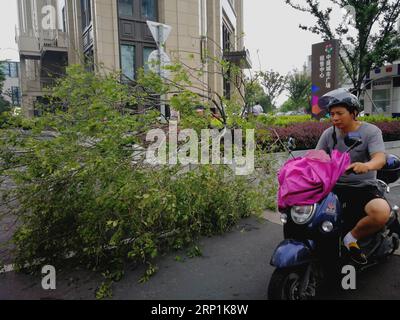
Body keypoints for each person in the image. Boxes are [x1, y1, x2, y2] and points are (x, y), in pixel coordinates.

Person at [316, 88, 390, 265]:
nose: (334, 118)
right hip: (333, 186)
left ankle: (351, 238)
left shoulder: (371, 132)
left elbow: (379, 158)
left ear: (354, 113)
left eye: (339, 113)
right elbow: (317, 155)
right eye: (332, 114)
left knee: (380, 212)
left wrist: (366, 166)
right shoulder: (329, 133)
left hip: (363, 187)